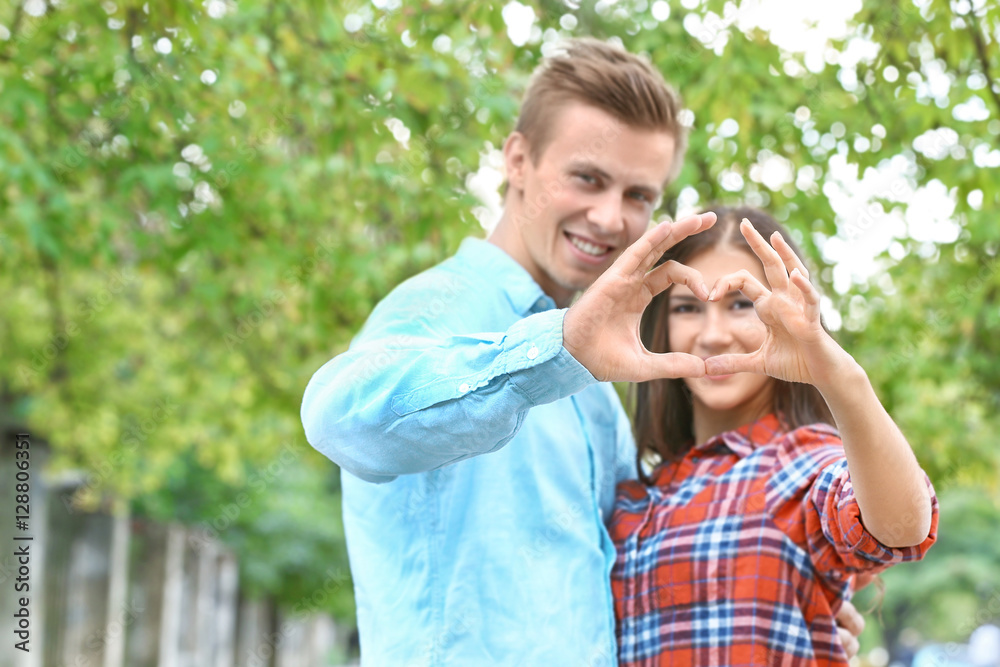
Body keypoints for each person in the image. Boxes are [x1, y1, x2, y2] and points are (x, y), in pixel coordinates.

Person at [301, 39, 862, 664]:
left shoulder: (594, 380)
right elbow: (334, 416)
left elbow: (635, 575)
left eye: (638, 196)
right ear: (518, 160)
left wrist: (783, 596)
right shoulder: (439, 308)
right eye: (588, 178)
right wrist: (556, 350)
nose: (608, 216)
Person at [608, 205, 940, 665]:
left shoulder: (800, 466)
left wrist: (835, 374)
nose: (713, 334)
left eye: (742, 303)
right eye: (687, 307)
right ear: (659, 326)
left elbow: (902, 527)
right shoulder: (631, 500)